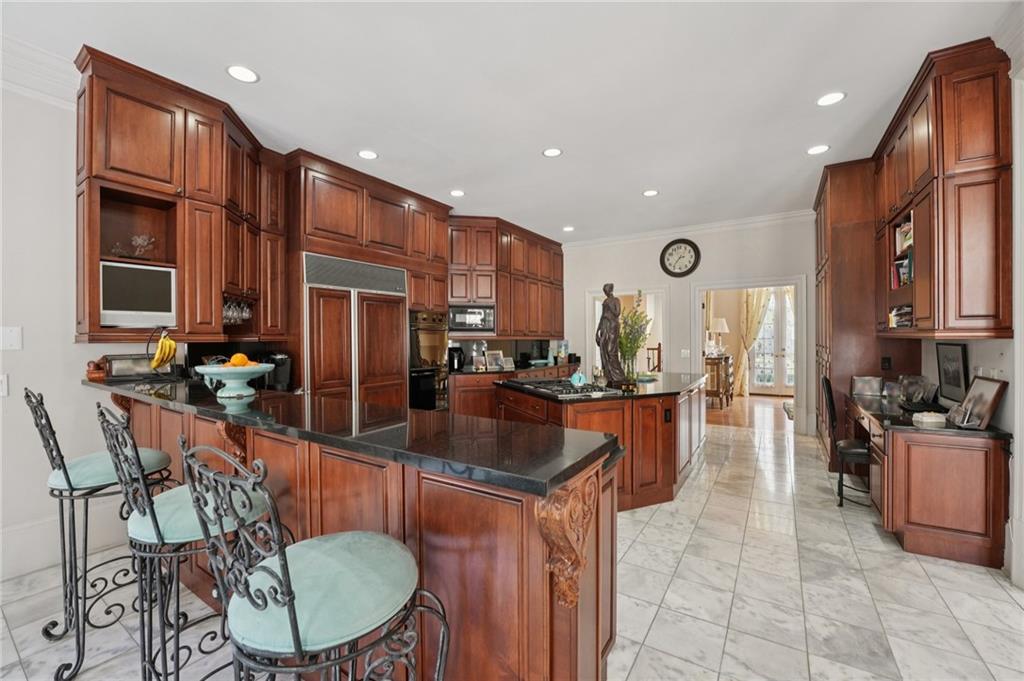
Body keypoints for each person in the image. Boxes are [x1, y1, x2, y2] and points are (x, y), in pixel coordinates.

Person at [596, 283, 626, 384]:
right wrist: (597, 331)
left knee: (611, 350)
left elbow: (617, 313)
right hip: (604, 325)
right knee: (603, 349)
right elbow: (602, 316)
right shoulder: (605, 301)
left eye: (606, 290)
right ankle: (608, 375)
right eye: (604, 291)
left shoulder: (616, 300)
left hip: (613, 326)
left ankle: (618, 375)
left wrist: (610, 306)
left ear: (610, 290)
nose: (605, 292)